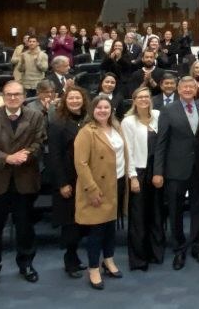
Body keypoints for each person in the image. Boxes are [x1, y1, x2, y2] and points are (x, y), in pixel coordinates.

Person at [0, 81, 46, 292]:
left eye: (17, 94)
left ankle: (26, 264)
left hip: (24, 180)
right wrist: (7, 158)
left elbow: (40, 143)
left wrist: (25, 155)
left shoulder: (36, 116)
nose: (13, 98)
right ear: (2, 96)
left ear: (24, 96)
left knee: (25, 229)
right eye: (8, 94)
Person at [73, 96, 134, 290]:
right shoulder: (86, 132)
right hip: (96, 187)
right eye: (98, 107)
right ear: (93, 110)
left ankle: (108, 260)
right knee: (96, 230)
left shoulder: (117, 128)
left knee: (110, 227)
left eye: (106, 107)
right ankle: (93, 268)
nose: (102, 111)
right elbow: (80, 164)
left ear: (111, 110)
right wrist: (91, 189)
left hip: (116, 184)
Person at [153, 76, 199, 268]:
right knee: (175, 210)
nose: (188, 89)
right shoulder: (168, 110)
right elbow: (161, 143)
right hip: (175, 169)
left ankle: (197, 245)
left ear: (196, 89)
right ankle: (179, 248)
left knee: (198, 208)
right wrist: (158, 171)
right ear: (178, 89)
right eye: (184, 86)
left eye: (191, 87)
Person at [47, 86, 89, 279]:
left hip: (87, 179)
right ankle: (70, 259)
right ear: (65, 101)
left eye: (77, 98)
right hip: (68, 180)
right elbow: (54, 156)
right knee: (70, 223)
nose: (74, 101)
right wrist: (62, 183)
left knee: (83, 222)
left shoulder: (89, 120)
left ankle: (75, 258)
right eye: (70, 98)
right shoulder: (57, 123)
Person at [122, 87, 164, 271]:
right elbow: (128, 151)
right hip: (138, 171)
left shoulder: (157, 115)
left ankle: (155, 253)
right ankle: (139, 258)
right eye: (140, 97)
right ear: (134, 100)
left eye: (147, 97)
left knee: (156, 214)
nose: (144, 100)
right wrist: (132, 177)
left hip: (157, 171)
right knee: (138, 216)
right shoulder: (128, 121)